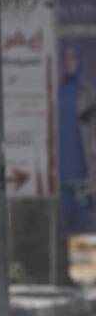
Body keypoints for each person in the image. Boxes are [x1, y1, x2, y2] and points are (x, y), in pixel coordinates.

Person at [58, 45, 96, 234]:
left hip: (81, 165)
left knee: (84, 221)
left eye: (73, 57)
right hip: (60, 168)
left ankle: (86, 264)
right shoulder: (57, 90)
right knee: (63, 221)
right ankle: (61, 263)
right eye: (66, 57)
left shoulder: (87, 92)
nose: (69, 61)